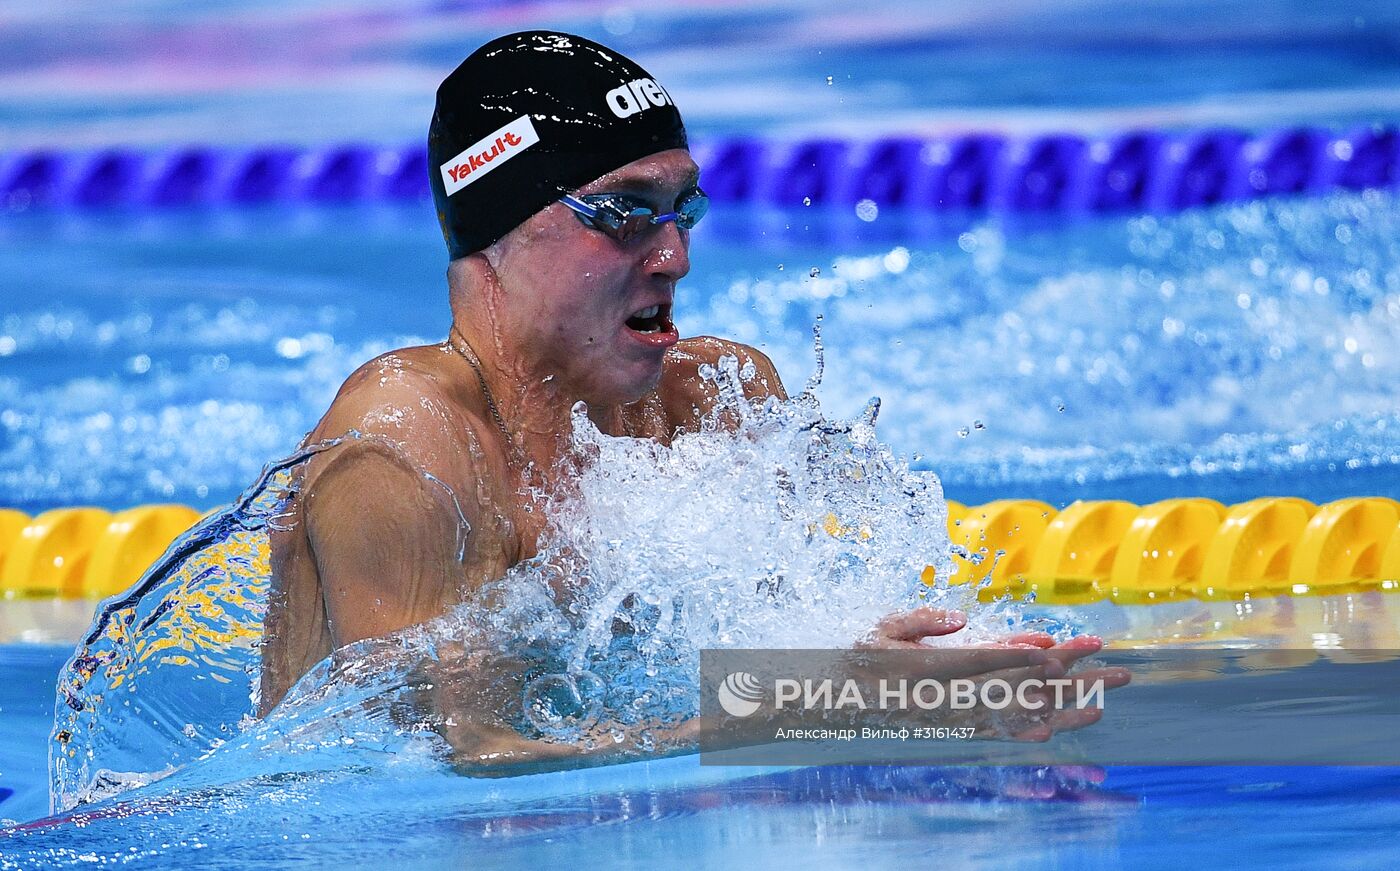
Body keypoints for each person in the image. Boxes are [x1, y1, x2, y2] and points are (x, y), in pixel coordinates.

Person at [257, 31, 1125, 769]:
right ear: (499, 231)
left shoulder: (713, 399)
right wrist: (813, 704)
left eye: (683, 208)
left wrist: (947, 682)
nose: (674, 256)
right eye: (624, 213)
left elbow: (812, 640)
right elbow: (459, 766)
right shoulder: (406, 448)